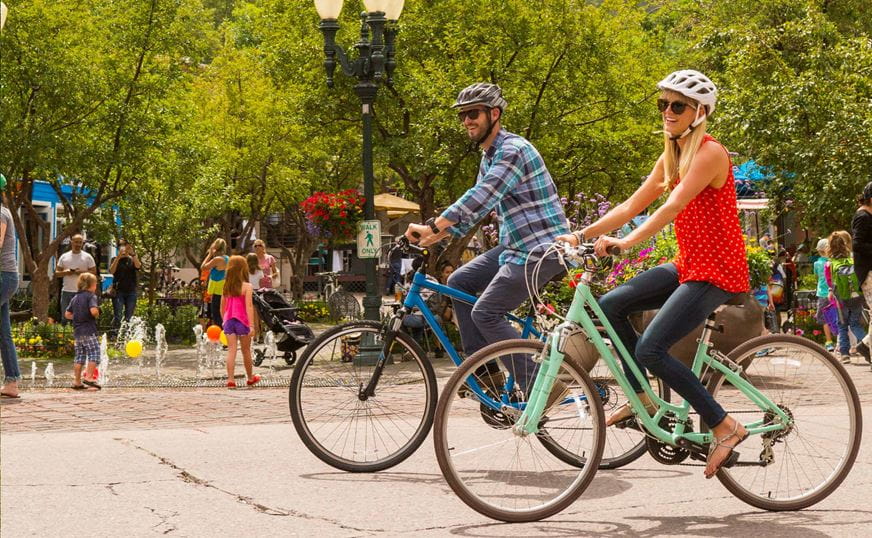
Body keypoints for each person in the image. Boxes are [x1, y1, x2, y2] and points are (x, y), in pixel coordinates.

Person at [557, 70, 750, 478]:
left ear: (699, 112)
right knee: (611, 305)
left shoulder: (711, 153)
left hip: (716, 270)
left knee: (651, 350)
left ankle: (724, 425)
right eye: (662, 103)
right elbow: (631, 206)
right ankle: (642, 397)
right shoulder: (673, 155)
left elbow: (670, 207)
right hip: (689, 265)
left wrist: (625, 244)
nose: (667, 111)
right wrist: (581, 234)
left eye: (676, 105)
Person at [404, 82, 569, 399]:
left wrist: (434, 224)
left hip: (541, 250)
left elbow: (482, 195)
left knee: (485, 313)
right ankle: (486, 371)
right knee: (460, 280)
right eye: (463, 115)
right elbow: (472, 214)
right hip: (516, 247)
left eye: (473, 113)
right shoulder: (489, 157)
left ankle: (543, 387)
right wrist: (430, 235)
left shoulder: (512, 151)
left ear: (494, 114)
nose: (467, 120)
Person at [824, 230, 869, 364]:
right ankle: (868, 345)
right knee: (855, 323)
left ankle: (845, 354)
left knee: (842, 325)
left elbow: (830, 282)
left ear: (830, 247)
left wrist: (831, 292)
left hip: (841, 299)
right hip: (856, 297)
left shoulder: (830, 264)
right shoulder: (852, 260)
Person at [221, 255, 260, 388]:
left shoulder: (226, 286)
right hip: (242, 321)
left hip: (228, 321)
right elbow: (249, 306)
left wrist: (223, 321)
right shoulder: (247, 286)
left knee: (231, 350)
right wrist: (252, 325)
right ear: (243, 269)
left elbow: (222, 307)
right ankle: (250, 378)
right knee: (246, 350)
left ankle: (231, 380)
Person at [1, 175, 21, 399]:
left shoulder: (0, 213)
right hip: (7, 277)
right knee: (3, 332)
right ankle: (12, 382)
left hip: (3, 277)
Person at [64, 273, 102, 390]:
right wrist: (98, 312)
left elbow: (67, 314)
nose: (96, 286)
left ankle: (77, 381)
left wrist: (78, 316)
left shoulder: (75, 298)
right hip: (89, 331)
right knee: (94, 353)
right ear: (91, 285)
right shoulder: (91, 296)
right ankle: (89, 377)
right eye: (95, 284)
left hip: (78, 332)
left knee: (79, 357)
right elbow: (93, 311)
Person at [852, 181, 872, 370]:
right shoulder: (863, 216)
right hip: (868, 273)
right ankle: (866, 348)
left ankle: (865, 346)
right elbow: (857, 244)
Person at [55, 234, 97, 325]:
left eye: (80, 242)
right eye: (76, 242)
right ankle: (66, 337)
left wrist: (81, 272)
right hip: (67, 291)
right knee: (65, 317)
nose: (78, 244)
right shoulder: (64, 256)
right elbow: (57, 273)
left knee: (82, 317)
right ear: (71, 242)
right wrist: (66, 272)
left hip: (83, 292)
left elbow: (94, 272)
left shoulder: (87, 257)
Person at [109, 239, 141, 327]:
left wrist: (133, 254)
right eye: (121, 245)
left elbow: (138, 266)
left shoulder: (132, 259)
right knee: (118, 314)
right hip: (118, 291)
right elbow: (111, 271)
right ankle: (115, 333)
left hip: (131, 291)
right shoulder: (115, 259)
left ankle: (126, 334)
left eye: (125, 244)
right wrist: (118, 257)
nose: (123, 246)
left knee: (129, 315)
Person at [813, 239, 836, 352]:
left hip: (822, 293)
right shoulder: (833, 262)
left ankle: (829, 341)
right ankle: (840, 341)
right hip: (834, 293)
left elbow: (817, 276)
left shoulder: (817, 264)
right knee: (838, 316)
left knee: (825, 318)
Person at [201, 239, 229, 327]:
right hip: (223, 288)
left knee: (216, 313)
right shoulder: (227, 258)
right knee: (222, 312)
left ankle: (221, 333)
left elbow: (203, 267)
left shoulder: (217, 259)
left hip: (218, 289)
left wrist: (209, 254)